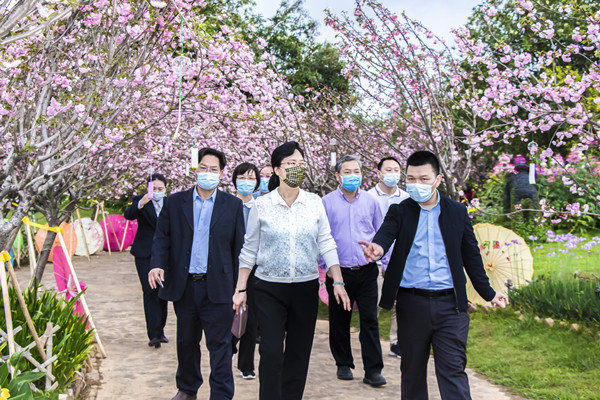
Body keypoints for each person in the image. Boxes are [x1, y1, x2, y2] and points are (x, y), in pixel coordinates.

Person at [360, 151, 509, 400]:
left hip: (451, 306)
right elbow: (385, 234)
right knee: (412, 371)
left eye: (424, 179)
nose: (416, 184)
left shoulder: (457, 212)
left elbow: (472, 258)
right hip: (411, 304)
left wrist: (489, 293)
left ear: (438, 179)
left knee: (453, 369)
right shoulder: (400, 211)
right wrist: (378, 248)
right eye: (411, 179)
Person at [232, 141, 351, 400]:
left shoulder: (314, 202)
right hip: (268, 288)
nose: (297, 168)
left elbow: (326, 241)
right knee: (271, 351)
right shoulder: (262, 205)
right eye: (291, 163)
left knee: (299, 352)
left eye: (300, 163)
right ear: (277, 169)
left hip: (305, 288)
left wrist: (338, 280)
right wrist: (241, 289)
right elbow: (249, 249)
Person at [149, 148, 246, 400]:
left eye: (213, 169)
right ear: (196, 170)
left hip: (219, 286)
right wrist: (157, 264)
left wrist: (240, 287)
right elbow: (162, 238)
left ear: (221, 174)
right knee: (186, 341)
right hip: (185, 286)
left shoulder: (232, 205)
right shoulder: (175, 202)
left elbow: (239, 249)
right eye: (203, 168)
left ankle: (221, 395)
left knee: (220, 345)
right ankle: (187, 388)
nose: (208, 173)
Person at [321, 155, 386, 387]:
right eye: (347, 172)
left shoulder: (371, 201)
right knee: (339, 319)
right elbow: (320, 236)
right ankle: (343, 363)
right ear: (337, 176)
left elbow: (380, 233)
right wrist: (326, 267)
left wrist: (382, 259)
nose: (352, 176)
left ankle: (373, 370)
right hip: (339, 272)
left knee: (370, 319)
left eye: (356, 171)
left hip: (367, 271)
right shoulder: (326, 202)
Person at [367, 156, 410, 359]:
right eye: (388, 170)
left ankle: (396, 342)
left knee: (400, 303)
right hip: (375, 261)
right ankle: (369, 339)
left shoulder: (407, 199)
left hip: (399, 260)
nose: (393, 174)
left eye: (396, 170)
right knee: (374, 303)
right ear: (379, 173)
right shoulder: (369, 198)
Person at [124, 173, 169, 348]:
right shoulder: (141, 201)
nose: (157, 191)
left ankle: (161, 330)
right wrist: (142, 202)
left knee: (162, 292)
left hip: (164, 254)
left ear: (165, 189)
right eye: (154, 188)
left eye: (160, 188)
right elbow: (129, 215)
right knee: (149, 291)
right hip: (145, 253)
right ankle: (154, 334)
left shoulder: (170, 203)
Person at [231, 162, 260, 379]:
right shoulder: (227, 206)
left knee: (252, 317)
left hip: (255, 270)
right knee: (228, 312)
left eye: (251, 178)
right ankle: (229, 347)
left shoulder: (261, 207)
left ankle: (246, 364)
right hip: (229, 267)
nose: (246, 182)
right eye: (242, 177)